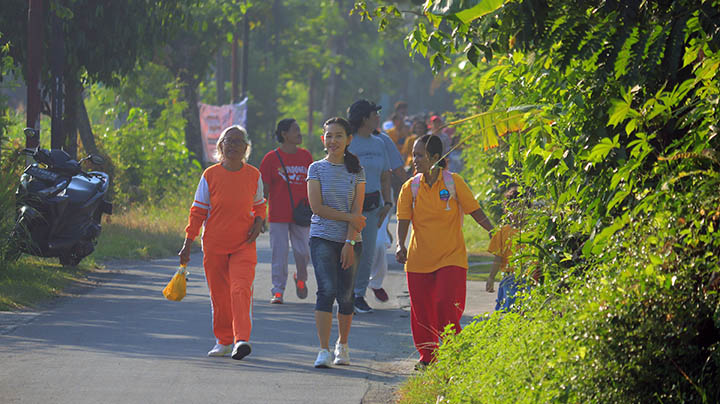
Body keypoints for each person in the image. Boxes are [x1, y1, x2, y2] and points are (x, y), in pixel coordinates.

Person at [395, 134, 494, 370]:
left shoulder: (453, 182)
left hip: (451, 257)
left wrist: (492, 230)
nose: (414, 160)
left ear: (435, 157)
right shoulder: (411, 187)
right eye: (414, 155)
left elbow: (475, 211)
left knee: (444, 305)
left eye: (420, 155)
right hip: (419, 261)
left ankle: (454, 351)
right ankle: (427, 357)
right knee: (421, 312)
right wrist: (401, 244)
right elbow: (403, 219)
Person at [179, 125, 265, 361]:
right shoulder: (210, 175)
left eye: (238, 142)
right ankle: (223, 341)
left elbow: (259, 205)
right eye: (228, 141)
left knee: (240, 290)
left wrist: (258, 222)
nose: (233, 145)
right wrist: (188, 242)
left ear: (246, 148)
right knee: (219, 295)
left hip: (243, 244)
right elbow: (197, 211)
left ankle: (241, 340)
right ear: (220, 146)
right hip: (215, 245)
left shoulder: (254, 175)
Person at [307, 117, 366, 368]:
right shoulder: (316, 169)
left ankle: (343, 344)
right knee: (326, 290)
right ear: (323, 139)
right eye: (329, 135)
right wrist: (349, 217)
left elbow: (358, 210)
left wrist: (349, 243)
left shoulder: (357, 170)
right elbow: (317, 208)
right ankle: (323, 350)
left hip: (351, 240)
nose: (333, 140)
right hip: (321, 237)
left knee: (345, 295)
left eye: (338, 135)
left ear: (348, 139)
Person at [259, 118, 313, 304]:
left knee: (304, 252)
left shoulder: (306, 156)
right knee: (279, 254)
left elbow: (313, 185)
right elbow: (264, 190)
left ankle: (301, 278)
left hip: (302, 215)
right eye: (295, 130)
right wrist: (259, 215)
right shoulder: (271, 159)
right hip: (278, 215)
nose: (299, 133)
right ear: (284, 134)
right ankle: (278, 290)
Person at [347, 99, 393, 314]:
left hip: (373, 206)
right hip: (348, 207)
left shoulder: (379, 143)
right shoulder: (348, 142)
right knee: (348, 250)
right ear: (364, 118)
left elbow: (385, 176)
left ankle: (359, 294)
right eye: (374, 114)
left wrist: (388, 202)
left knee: (367, 252)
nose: (378, 118)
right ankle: (344, 292)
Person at [369, 128, 407, 302]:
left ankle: (375, 284)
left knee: (378, 245)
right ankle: (353, 292)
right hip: (350, 201)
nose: (376, 118)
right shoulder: (348, 138)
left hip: (380, 201)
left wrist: (414, 187)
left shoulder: (382, 140)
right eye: (372, 115)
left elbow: (397, 169)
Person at [486, 186, 539, 310]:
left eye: (520, 208)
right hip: (509, 278)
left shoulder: (535, 231)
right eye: (512, 209)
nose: (516, 214)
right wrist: (491, 277)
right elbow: (497, 258)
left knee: (528, 310)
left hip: (530, 277)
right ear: (506, 211)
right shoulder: (502, 232)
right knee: (508, 309)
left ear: (528, 209)